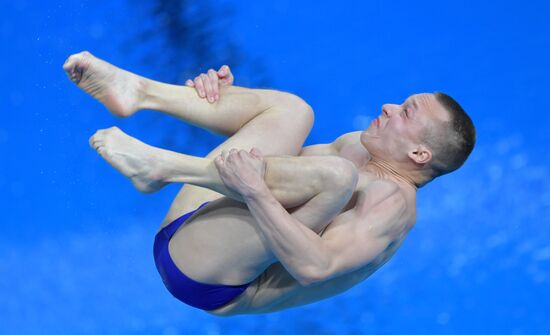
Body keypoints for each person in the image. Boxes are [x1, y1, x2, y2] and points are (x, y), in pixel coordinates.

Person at [63, 51, 476, 315]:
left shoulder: (392, 206)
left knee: (336, 177)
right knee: (294, 111)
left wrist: (257, 193)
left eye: (405, 112)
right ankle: (139, 92)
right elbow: (269, 171)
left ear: (420, 155)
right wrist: (226, 101)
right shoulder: (361, 147)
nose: (388, 106)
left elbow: (316, 266)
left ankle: (163, 168)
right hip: (199, 223)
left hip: (207, 278)